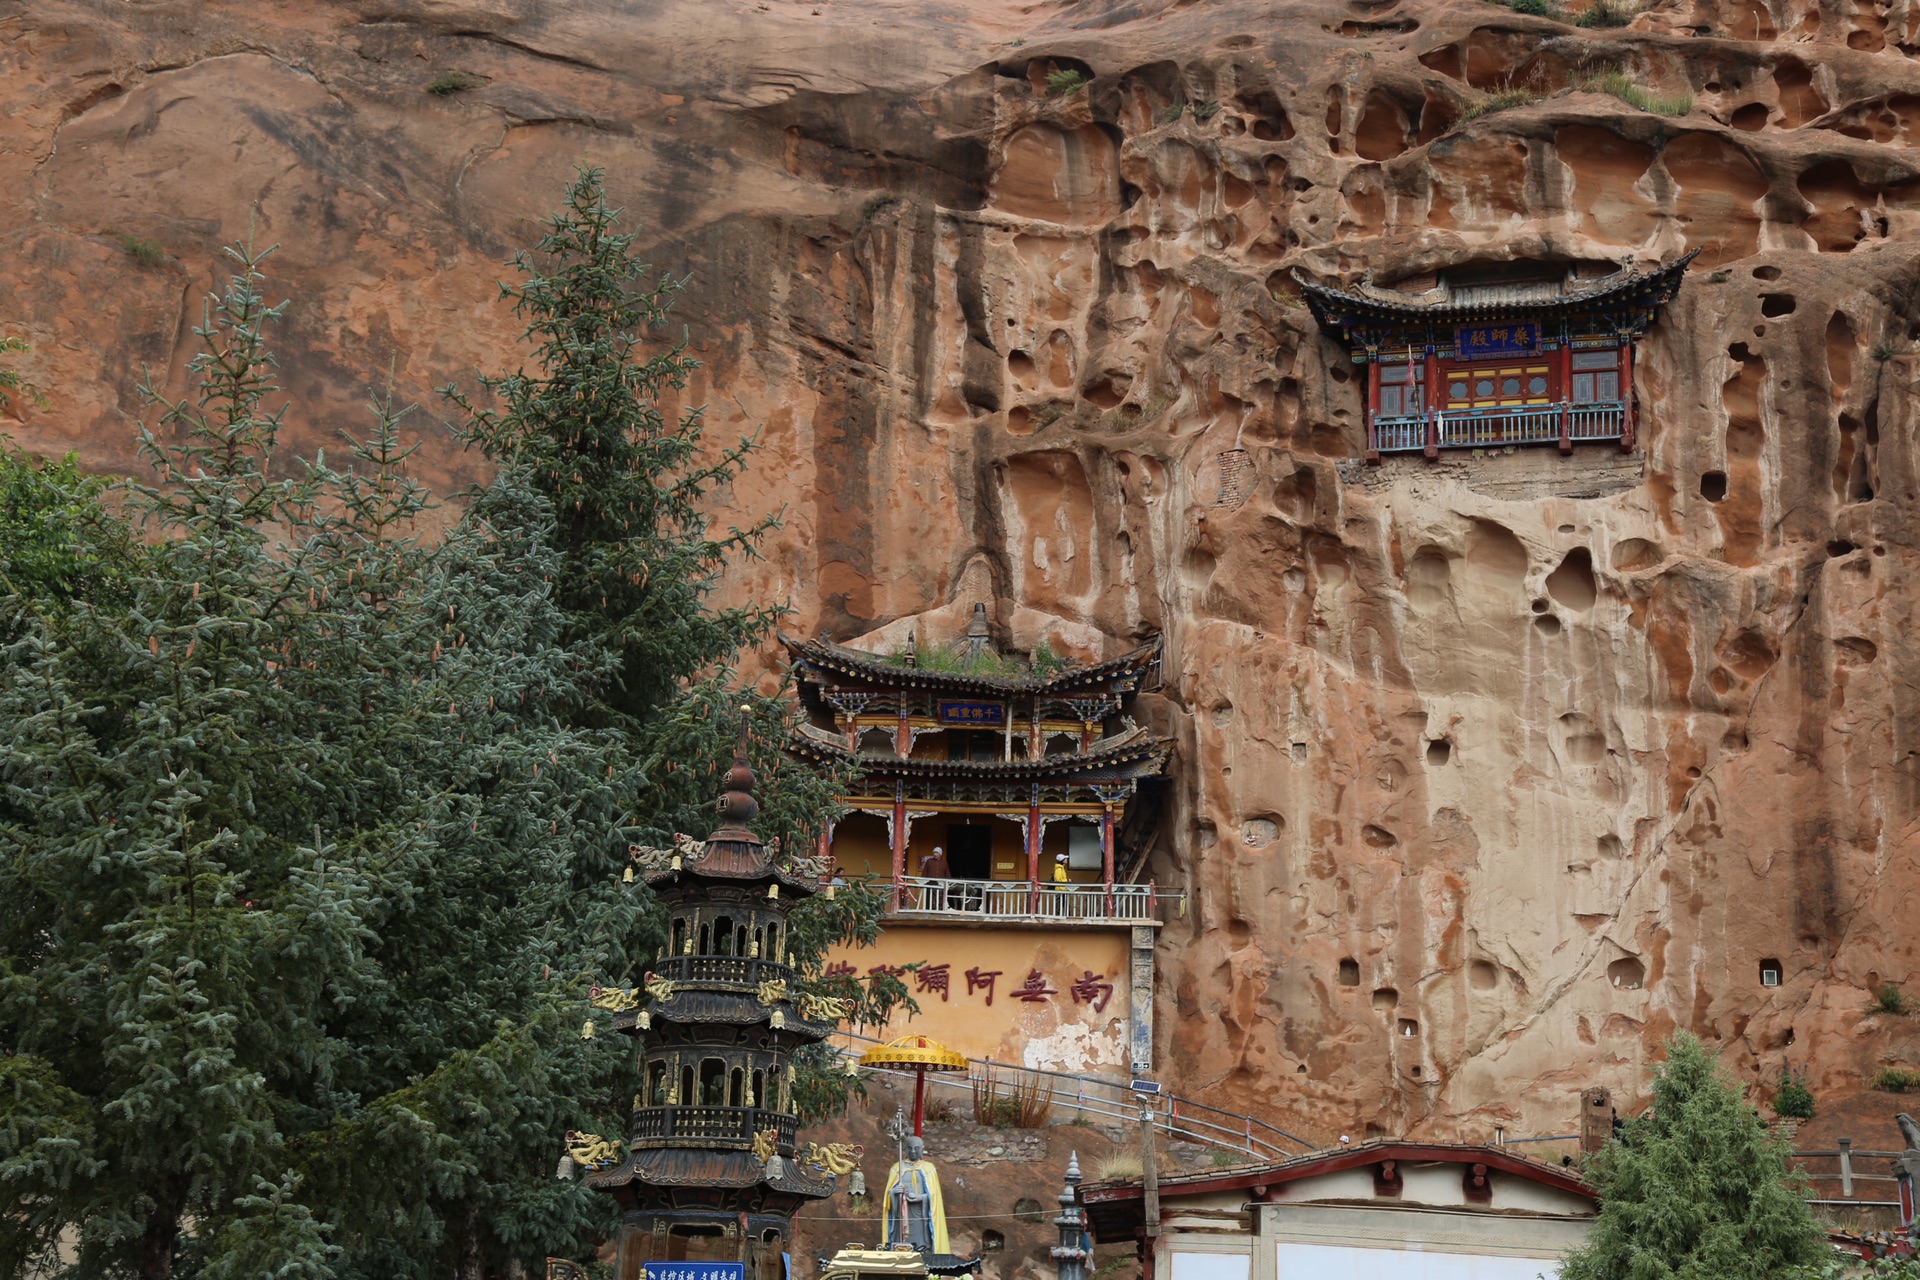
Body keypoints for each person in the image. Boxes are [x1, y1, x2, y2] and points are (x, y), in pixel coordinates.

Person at [881, 1135, 950, 1255]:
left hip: (920, 1215)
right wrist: (893, 1193)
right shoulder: (897, 1168)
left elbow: (934, 1197)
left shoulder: (929, 1169)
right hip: (902, 1215)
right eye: (910, 1148)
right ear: (905, 1150)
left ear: (922, 1149)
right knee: (902, 1240)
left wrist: (920, 1197)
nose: (913, 1151)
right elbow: (888, 1198)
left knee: (921, 1243)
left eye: (916, 1148)